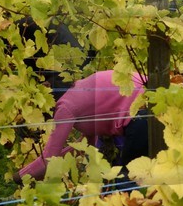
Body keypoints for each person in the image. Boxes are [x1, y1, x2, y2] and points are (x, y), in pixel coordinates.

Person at [16, 69, 149, 182]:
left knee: (127, 180)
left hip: (141, 114)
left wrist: (20, 177)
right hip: (154, 99)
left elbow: (49, 159)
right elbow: (85, 147)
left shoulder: (65, 107)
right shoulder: (80, 92)